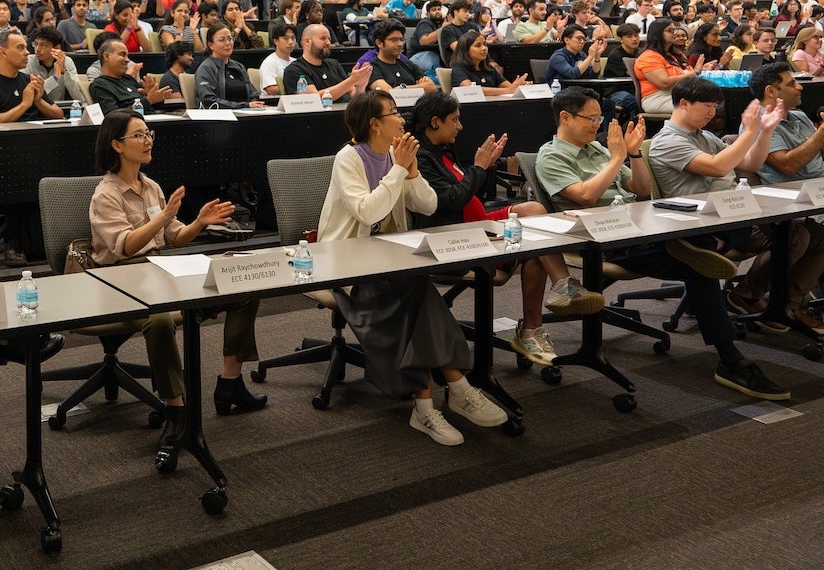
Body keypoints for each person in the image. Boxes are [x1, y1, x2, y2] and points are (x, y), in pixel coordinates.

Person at [536, 87, 788, 400]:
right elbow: (586, 196)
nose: (597, 125)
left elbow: (641, 190)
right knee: (698, 265)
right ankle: (731, 358)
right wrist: (617, 158)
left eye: (599, 118)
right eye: (591, 118)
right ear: (564, 117)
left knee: (715, 240)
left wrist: (634, 154)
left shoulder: (597, 151)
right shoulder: (550, 155)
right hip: (602, 238)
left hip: (637, 225)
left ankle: (700, 252)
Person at [317, 91, 508, 445]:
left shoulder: (396, 155)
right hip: (344, 261)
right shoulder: (348, 158)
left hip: (389, 259)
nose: (402, 120)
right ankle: (456, 389)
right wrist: (398, 172)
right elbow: (367, 212)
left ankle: (429, 405)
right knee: (416, 290)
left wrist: (413, 172)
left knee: (415, 290)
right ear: (375, 124)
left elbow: (430, 204)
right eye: (393, 114)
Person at [89, 109, 262, 462]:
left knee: (242, 286)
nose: (147, 139)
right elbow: (126, 246)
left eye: (147, 132)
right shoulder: (106, 194)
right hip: (121, 276)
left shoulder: (150, 186)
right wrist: (166, 217)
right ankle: (175, 409)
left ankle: (230, 383)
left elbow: (175, 238)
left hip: (160, 269)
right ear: (117, 145)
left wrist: (198, 222)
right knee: (161, 319)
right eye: (138, 135)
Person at [410, 93, 592, 366]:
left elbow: (472, 196)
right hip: (455, 237)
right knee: (535, 247)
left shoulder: (442, 150)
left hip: (479, 222)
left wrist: (485, 167)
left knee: (534, 211)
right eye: (455, 120)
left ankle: (561, 286)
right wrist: (479, 168)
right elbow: (450, 201)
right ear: (435, 122)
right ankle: (535, 324)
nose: (460, 127)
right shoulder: (422, 158)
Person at [651, 74, 824, 332]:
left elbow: (750, 164)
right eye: (706, 106)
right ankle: (748, 295)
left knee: (818, 235)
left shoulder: (706, 137)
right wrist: (751, 131)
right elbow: (719, 168)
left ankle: (785, 303)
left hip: (734, 213)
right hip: (705, 223)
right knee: (794, 234)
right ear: (684, 103)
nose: (712, 112)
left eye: (715, 106)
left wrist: (764, 131)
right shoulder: (667, 140)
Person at [0, 30, 62, 265]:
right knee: (17, 175)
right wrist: (24, 104)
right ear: (3, 51)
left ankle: (54, 238)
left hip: (37, 148)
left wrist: (38, 100)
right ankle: (13, 241)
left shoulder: (28, 80)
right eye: (21, 48)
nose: (28, 53)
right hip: (4, 154)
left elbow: (58, 114)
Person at [280, 23, 371, 101]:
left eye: (329, 39)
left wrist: (360, 87)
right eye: (323, 38)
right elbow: (313, 99)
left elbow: (354, 95)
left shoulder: (334, 64)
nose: (328, 43)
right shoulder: (294, 70)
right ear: (307, 41)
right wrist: (352, 80)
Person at [91, 38, 176, 115]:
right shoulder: (100, 85)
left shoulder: (128, 80)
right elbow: (113, 117)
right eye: (122, 54)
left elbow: (151, 106)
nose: (127, 60)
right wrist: (149, 100)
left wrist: (153, 96)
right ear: (106, 56)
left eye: (127, 56)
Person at [194, 24, 264, 109]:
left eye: (230, 39)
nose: (228, 43)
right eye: (222, 40)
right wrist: (244, 106)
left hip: (245, 113)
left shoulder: (238, 66)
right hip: (221, 117)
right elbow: (209, 101)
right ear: (210, 45)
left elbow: (253, 94)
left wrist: (254, 104)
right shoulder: (205, 69)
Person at [634, 18, 695, 114]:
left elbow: (691, 74)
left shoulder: (675, 55)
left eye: (674, 30)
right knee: (700, 107)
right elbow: (664, 83)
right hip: (657, 99)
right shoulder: (649, 56)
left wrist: (703, 70)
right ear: (658, 33)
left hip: (679, 94)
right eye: (670, 31)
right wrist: (693, 74)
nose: (674, 33)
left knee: (712, 101)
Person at [366, 19, 436, 94]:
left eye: (401, 39)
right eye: (394, 40)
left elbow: (432, 88)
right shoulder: (371, 68)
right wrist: (419, 87)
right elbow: (389, 94)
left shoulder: (409, 65)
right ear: (379, 43)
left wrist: (402, 88)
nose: (400, 44)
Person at [449, 31, 528, 96]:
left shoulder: (489, 68)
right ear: (465, 50)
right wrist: (509, 90)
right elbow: (470, 90)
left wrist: (518, 87)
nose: (484, 48)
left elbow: (510, 88)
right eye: (478, 45)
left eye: (485, 44)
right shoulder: (458, 69)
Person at [25, 27, 86, 105]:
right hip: (34, 109)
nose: (37, 49)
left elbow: (79, 97)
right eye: (36, 44)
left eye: (43, 45)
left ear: (57, 48)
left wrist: (65, 73)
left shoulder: (67, 61)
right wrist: (55, 78)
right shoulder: (28, 61)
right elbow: (30, 95)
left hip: (60, 109)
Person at [259, 20, 296, 95]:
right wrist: (295, 89)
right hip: (274, 103)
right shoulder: (269, 63)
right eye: (286, 38)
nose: (290, 42)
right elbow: (271, 89)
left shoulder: (295, 62)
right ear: (276, 41)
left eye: (293, 38)